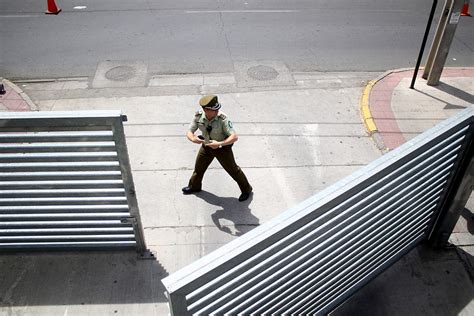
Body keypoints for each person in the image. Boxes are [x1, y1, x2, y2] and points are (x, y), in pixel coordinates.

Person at [182, 95, 253, 202]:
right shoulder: (199, 116)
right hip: (206, 146)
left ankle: (246, 189)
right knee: (199, 168)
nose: (217, 111)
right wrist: (193, 139)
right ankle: (194, 186)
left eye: (217, 108)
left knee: (233, 170)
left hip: (222, 148)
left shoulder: (222, 119)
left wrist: (219, 144)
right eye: (214, 109)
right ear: (206, 110)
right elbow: (189, 131)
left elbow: (234, 137)